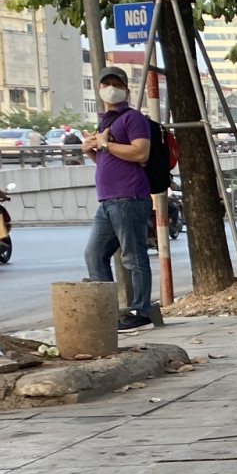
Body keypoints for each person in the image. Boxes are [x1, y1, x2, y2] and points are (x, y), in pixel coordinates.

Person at [82, 68, 155, 331]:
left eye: (116, 84)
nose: (111, 88)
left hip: (129, 197)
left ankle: (141, 311)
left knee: (133, 257)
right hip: (108, 200)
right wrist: (92, 149)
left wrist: (105, 144)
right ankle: (108, 312)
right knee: (94, 254)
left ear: (126, 89)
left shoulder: (132, 118)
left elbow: (140, 153)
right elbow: (107, 159)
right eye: (106, 83)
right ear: (98, 89)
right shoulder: (104, 121)